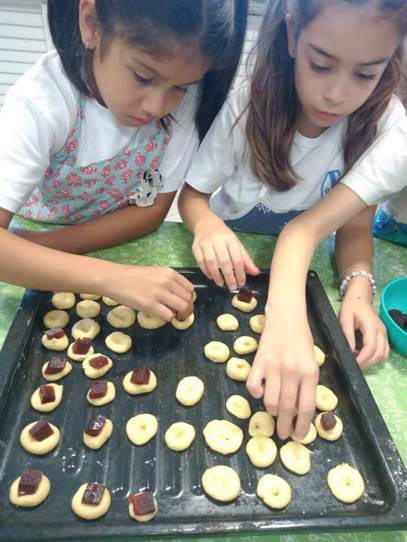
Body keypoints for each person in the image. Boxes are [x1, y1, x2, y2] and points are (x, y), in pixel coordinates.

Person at [178, 0, 407, 438]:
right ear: (291, 34)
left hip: (306, 275)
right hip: (230, 267)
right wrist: (206, 225)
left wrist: (358, 288)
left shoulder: (387, 129)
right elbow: (193, 197)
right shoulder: (249, 102)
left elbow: (355, 226)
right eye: (320, 65)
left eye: (366, 74)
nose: (336, 94)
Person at [0, 0, 248, 320]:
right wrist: (111, 276)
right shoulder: (41, 104)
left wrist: (51, 248)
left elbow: (152, 211)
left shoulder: (182, 98)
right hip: (30, 244)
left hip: (84, 241)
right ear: (91, 23)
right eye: (143, 77)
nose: (157, 106)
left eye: (180, 88)